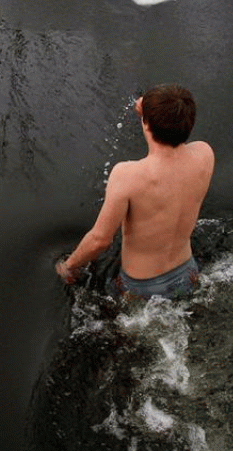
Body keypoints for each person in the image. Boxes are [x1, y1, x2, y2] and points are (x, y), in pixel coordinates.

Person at [55, 84, 215, 301]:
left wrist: (68, 266)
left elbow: (100, 240)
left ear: (146, 123)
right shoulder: (204, 155)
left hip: (140, 288)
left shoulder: (127, 176)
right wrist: (153, 113)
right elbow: (174, 123)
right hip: (187, 272)